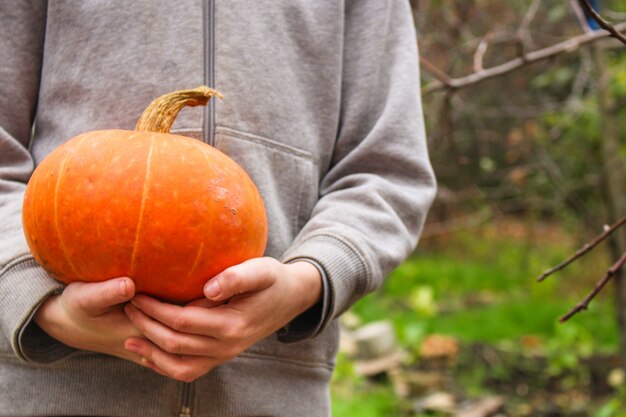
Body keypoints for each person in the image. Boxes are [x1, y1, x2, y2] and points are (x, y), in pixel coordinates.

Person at [0, 1, 436, 416]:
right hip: (52, 390)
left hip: (272, 395)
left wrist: (304, 283)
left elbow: (385, 172)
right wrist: (42, 307)